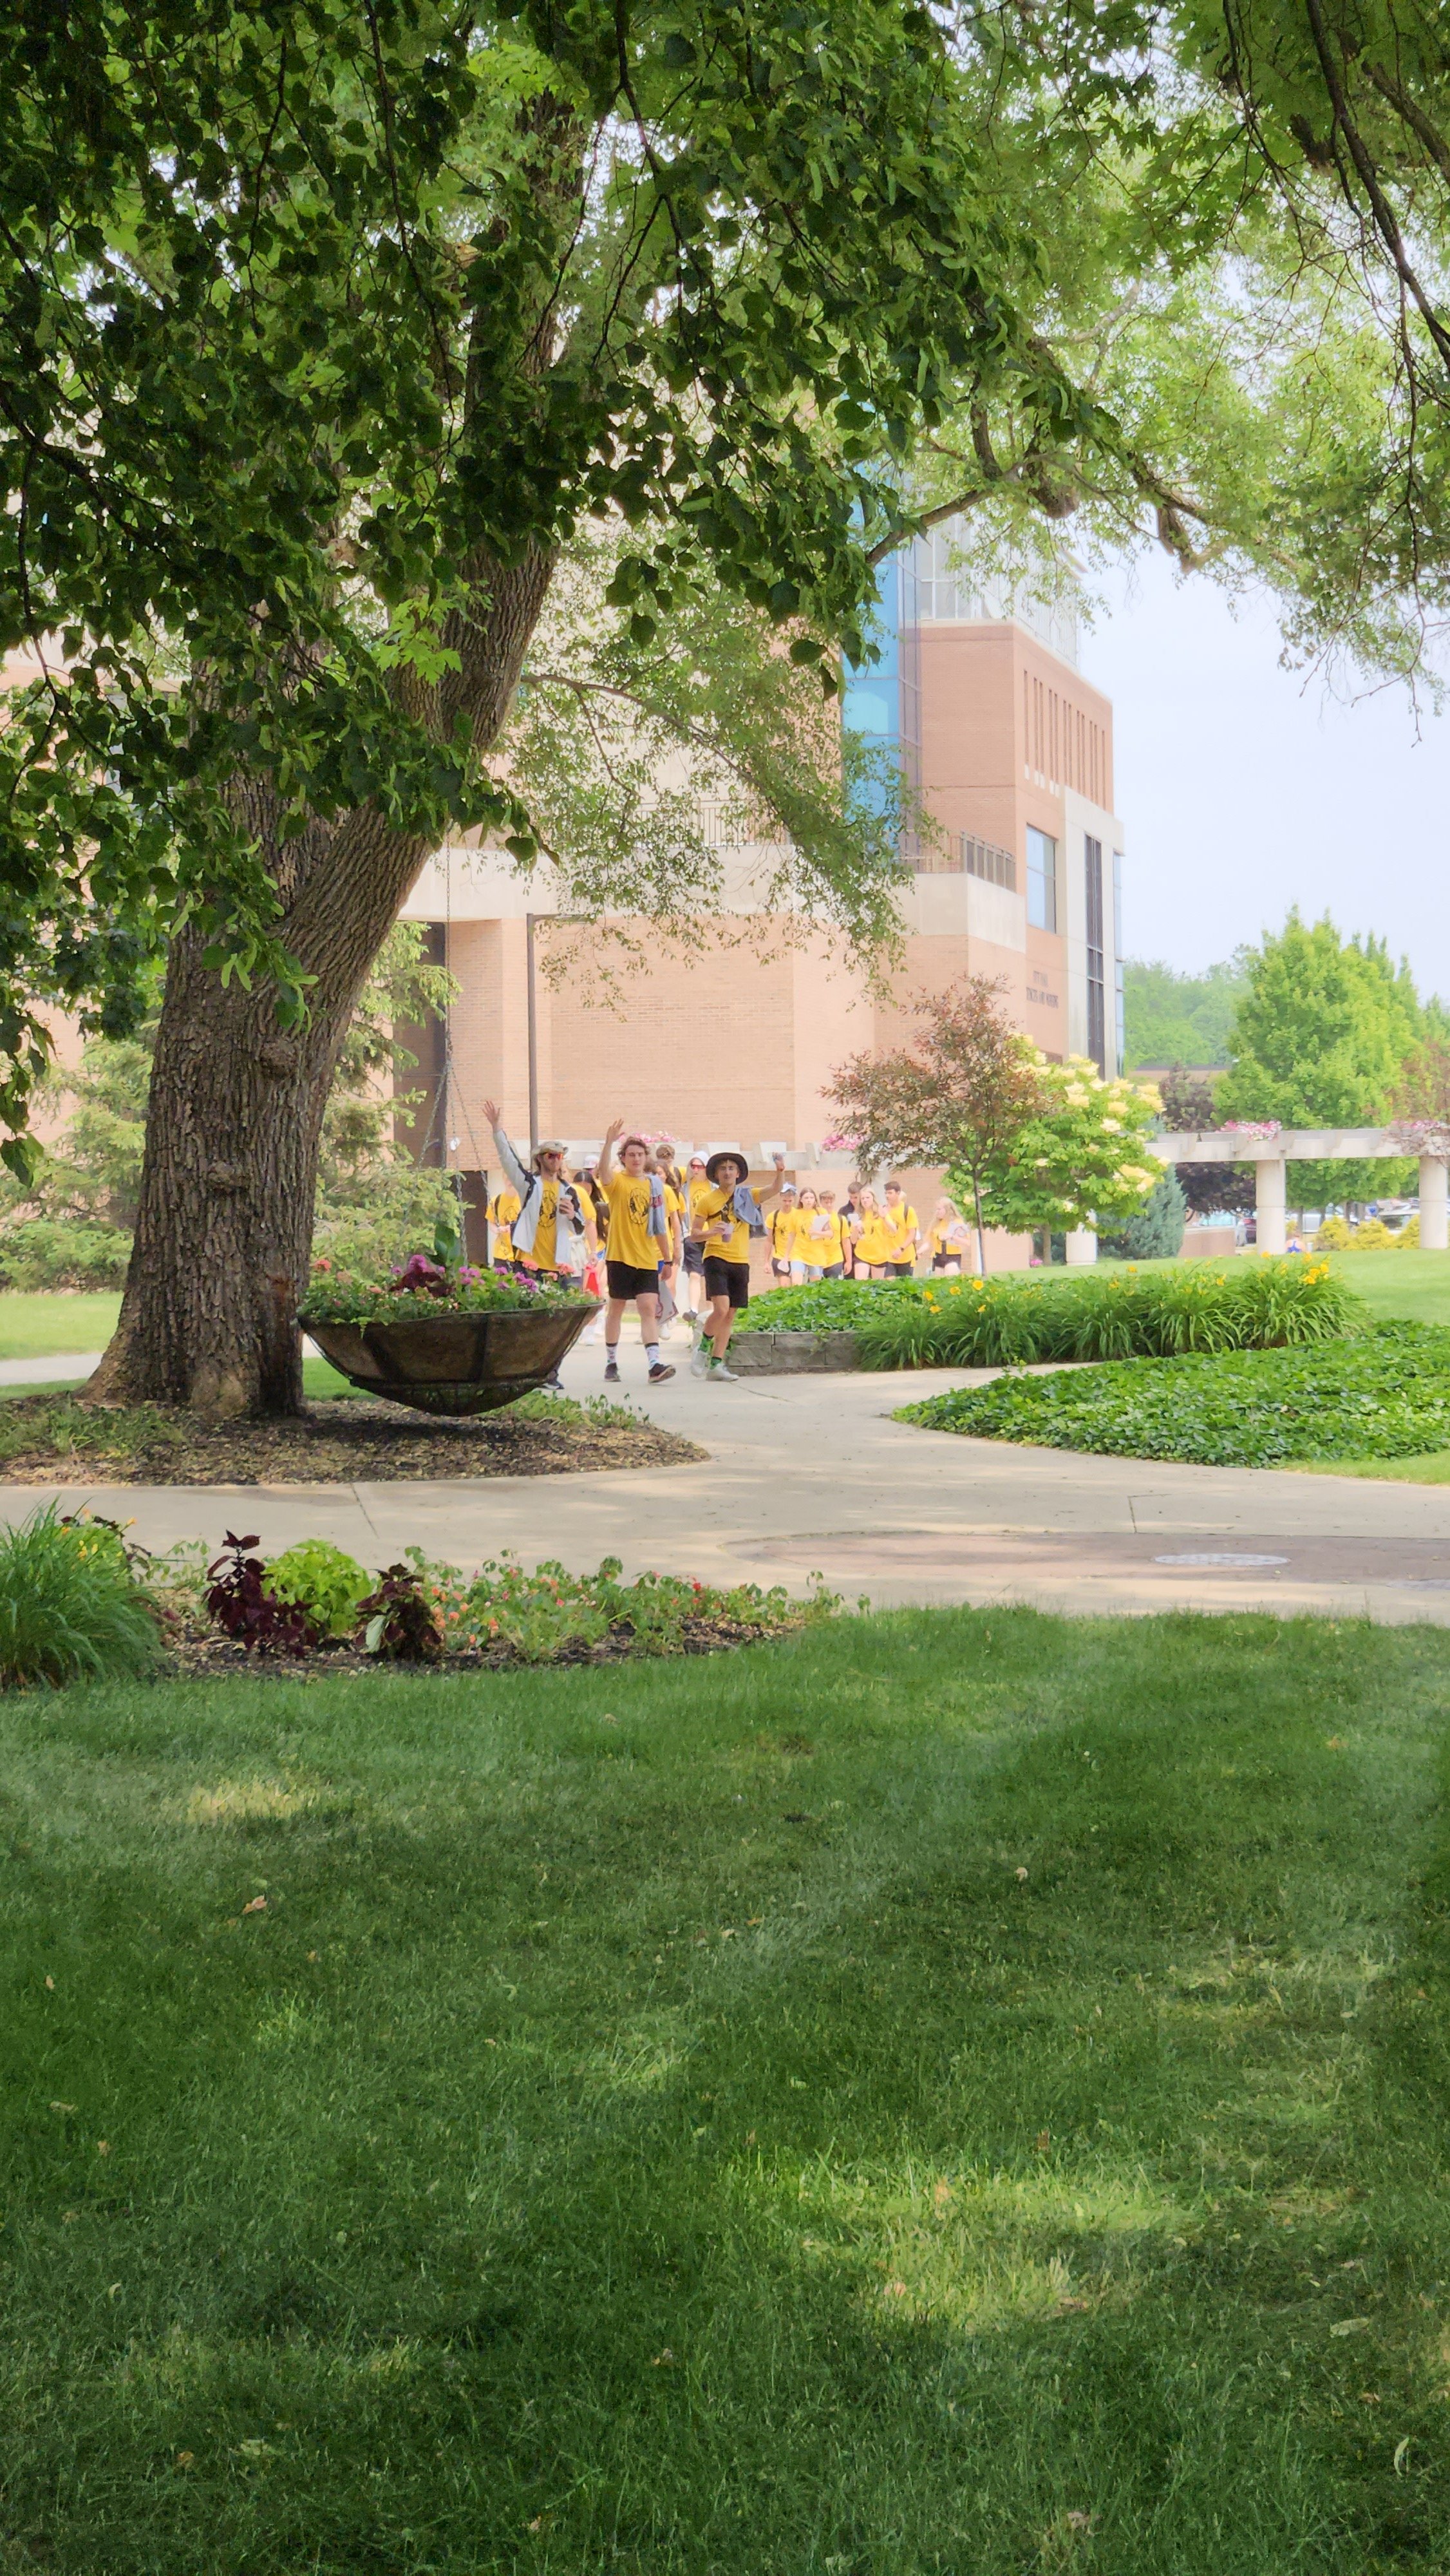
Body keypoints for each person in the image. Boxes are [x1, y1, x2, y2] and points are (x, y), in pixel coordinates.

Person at [482, 1103, 590, 1387]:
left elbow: (579, 1226)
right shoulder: (529, 1185)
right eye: (551, 1156)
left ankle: (550, 1373)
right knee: (528, 1322)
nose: (556, 1160)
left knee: (556, 1325)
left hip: (559, 1266)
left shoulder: (569, 1190)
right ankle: (525, 1371)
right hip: (529, 1265)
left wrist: (572, 1215)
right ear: (541, 1160)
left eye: (559, 1156)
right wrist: (497, 1129)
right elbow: (509, 1160)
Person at [596, 1119, 675, 1385]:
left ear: (646, 1157)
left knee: (648, 1307)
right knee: (616, 1308)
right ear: (624, 1158)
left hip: (647, 1257)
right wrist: (608, 1143)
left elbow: (660, 1225)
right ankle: (611, 1361)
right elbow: (603, 1173)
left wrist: (668, 1259)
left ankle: (654, 1365)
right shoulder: (617, 1182)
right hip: (619, 1256)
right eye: (631, 1155)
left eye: (640, 1154)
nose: (636, 1159)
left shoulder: (655, 1186)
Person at [690, 1147, 764, 1381]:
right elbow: (694, 1234)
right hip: (716, 1257)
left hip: (740, 1260)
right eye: (723, 1169)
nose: (728, 1172)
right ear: (716, 1174)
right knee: (720, 1309)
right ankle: (702, 1349)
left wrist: (781, 1171)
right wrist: (712, 1232)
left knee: (730, 1315)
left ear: (738, 1173)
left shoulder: (748, 1196)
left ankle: (717, 1365)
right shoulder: (707, 1200)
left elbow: (772, 1190)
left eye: (732, 1168)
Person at [682, 1154, 712, 1321]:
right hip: (692, 1236)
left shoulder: (714, 1187)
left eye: (699, 1166)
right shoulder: (685, 1188)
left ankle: (711, 1311)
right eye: (692, 1166)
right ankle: (693, 1309)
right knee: (694, 1274)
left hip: (712, 1236)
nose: (695, 1169)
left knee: (711, 1275)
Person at [881, 1179, 921, 1278]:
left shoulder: (908, 1210)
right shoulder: (883, 1210)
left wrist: (901, 1249)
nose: (887, 1196)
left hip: (905, 1256)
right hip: (888, 1256)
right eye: (886, 1193)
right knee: (889, 1285)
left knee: (904, 1287)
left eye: (890, 1193)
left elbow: (912, 1234)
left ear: (898, 1193)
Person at [851, 1186, 891, 1278]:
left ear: (873, 1198)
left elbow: (893, 1231)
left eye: (868, 1198)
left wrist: (885, 1218)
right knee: (861, 1285)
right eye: (863, 1198)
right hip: (862, 1254)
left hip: (879, 1255)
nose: (865, 1200)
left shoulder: (881, 1213)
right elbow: (853, 1241)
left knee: (877, 1287)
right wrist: (856, 1229)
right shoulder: (857, 1215)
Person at [927, 1197, 974, 1274]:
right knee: (939, 1283)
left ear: (947, 1210)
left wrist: (952, 1237)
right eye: (936, 1209)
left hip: (952, 1256)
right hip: (938, 1256)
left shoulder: (958, 1223)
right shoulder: (936, 1223)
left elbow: (967, 1243)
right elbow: (929, 1241)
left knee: (950, 1279)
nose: (937, 1212)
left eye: (939, 1209)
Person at [812, 1189, 848, 1280]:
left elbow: (846, 1241)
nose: (829, 1205)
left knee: (834, 1288)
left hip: (836, 1259)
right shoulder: (815, 1217)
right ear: (821, 1202)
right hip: (818, 1259)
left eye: (831, 1202)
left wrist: (849, 1261)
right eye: (826, 1202)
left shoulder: (841, 1219)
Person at [488, 1177, 522, 1272]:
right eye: (507, 1178)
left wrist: (514, 1229)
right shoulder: (496, 1201)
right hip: (501, 1254)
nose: (510, 1181)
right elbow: (492, 1224)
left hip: (520, 1254)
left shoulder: (524, 1200)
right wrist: (498, 1230)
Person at [789, 1186, 823, 1281]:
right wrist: (786, 1255)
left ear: (815, 1200)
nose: (809, 1201)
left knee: (815, 1286)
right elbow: (792, 1235)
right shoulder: (795, 1213)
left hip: (816, 1253)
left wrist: (817, 1233)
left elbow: (830, 1233)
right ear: (801, 1200)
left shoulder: (821, 1212)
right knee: (796, 1281)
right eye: (806, 1198)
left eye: (811, 1198)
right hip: (799, 1252)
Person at [768, 1184, 798, 1283]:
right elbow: (769, 1240)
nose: (787, 1204)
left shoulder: (798, 1215)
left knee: (797, 1288)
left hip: (796, 1257)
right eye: (785, 1201)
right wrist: (766, 1262)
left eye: (790, 1201)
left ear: (794, 1199)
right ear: (780, 1198)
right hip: (779, 1256)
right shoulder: (773, 1216)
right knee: (784, 1287)